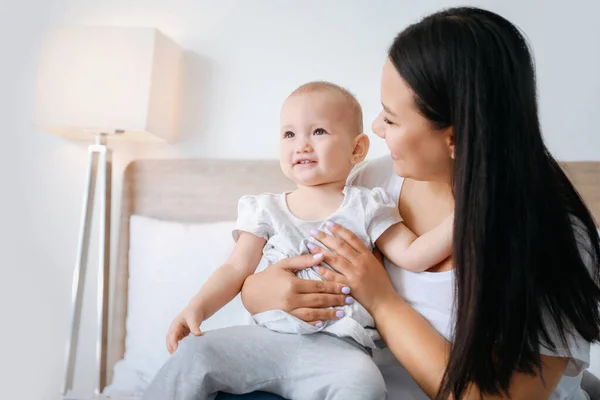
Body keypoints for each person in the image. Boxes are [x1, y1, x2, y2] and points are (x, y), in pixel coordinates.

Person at [237, 7, 600, 400]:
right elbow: (270, 281)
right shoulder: (372, 183)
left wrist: (382, 301)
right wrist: (261, 291)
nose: (375, 128)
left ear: (455, 137)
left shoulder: (553, 241)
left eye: (391, 120)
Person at [141, 81, 453, 400]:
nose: (301, 145)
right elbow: (236, 268)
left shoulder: (369, 205)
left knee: (365, 384)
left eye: (318, 131)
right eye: (289, 134)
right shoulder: (265, 209)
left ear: (357, 149)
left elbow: (414, 254)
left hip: (339, 350)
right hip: (268, 340)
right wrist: (197, 307)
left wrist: (462, 218)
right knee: (194, 354)